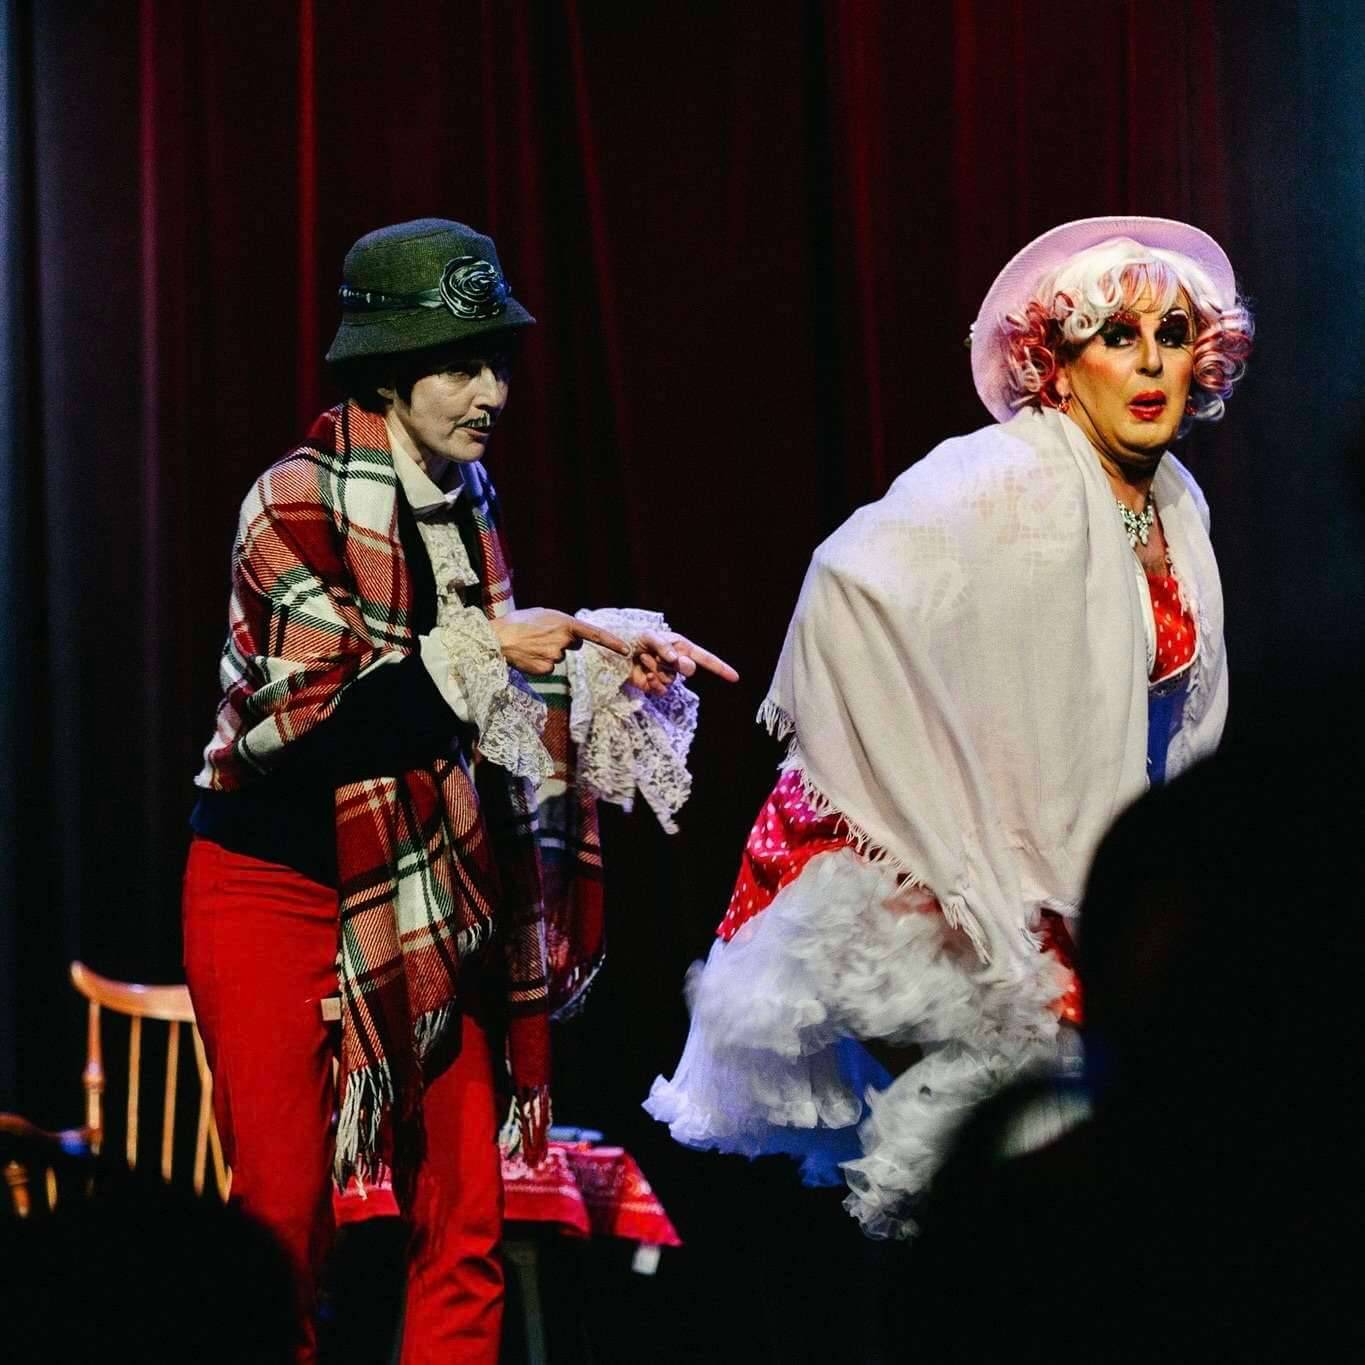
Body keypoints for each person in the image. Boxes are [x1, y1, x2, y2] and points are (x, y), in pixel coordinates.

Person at [182, 218, 736, 1363]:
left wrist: (602, 657)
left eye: (497, 364)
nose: (492, 393)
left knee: (467, 1218)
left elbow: (478, 697)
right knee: (283, 1218)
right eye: (460, 366)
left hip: (425, 881)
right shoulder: (292, 498)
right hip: (275, 882)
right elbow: (314, 725)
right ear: (388, 373)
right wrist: (499, 650)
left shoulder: (465, 496)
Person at [647, 216, 1253, 1238]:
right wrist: (950, 824)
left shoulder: (1176, 506)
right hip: (966, 887)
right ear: (1057, 363)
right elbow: (850, 582)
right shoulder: (1006, 476)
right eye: (1116, 336)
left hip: (1087, 874)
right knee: (1007, 1188)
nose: (1151, 362)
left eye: (1173, 334)